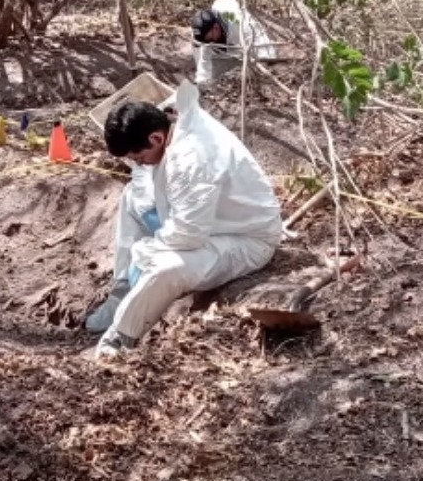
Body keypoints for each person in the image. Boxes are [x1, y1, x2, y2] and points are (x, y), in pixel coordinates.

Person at [85, 80, 283, 360]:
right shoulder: (170, 122)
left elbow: (190, 234)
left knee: (166, 269)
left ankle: (120, 337)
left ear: (155, 138)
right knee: (132, 198)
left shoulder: (191, 159)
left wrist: (147, 250)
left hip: (246, 240)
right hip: (211, 223)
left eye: (139, 157)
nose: (140, 164)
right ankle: (123, 292)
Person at [189, 0, 276, 87]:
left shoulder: (242, 24)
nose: (207, 43)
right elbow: (204, 66)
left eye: (208, 39)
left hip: (244, 46)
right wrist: (200, 84)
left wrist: (264, 70)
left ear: (215, 28)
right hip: (226, 49)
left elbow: (265, 50)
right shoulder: (205, 37)